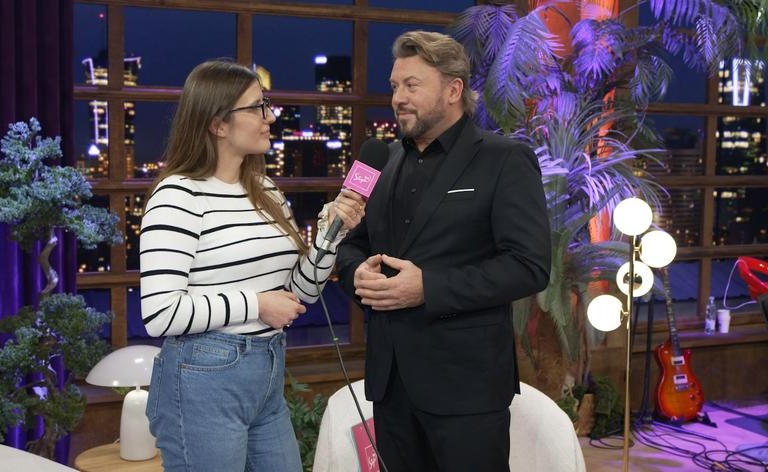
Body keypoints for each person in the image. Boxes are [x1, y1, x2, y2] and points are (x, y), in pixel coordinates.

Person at [336, 31, 551, 471]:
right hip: (390, 385)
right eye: (394, 86)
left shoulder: (505, 159)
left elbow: (528, 266)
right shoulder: (379, 159)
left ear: (453, 90)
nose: (398, 98)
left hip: (467, 388)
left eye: (411, 85)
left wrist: (427, 288)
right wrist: (357, 273)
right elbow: (350, 243)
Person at [140, 60, 366, 472]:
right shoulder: (177, 196)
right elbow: (160, 313)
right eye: (257, 107)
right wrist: (258, 304)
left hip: (267, 371)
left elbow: (300, 293)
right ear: (217, 124)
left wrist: (330, 237)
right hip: (202, 379)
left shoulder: (266, 191)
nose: (270, 116)